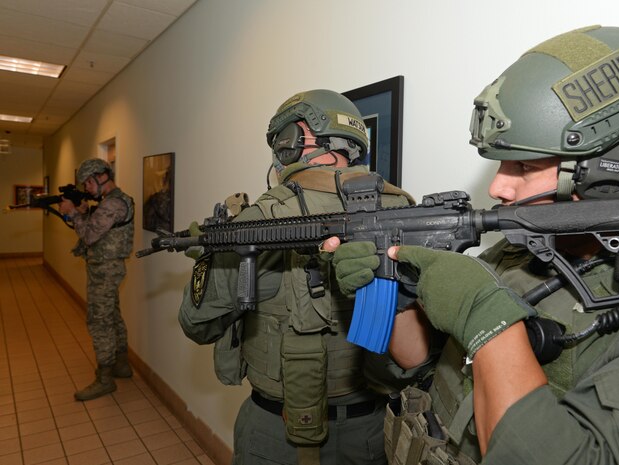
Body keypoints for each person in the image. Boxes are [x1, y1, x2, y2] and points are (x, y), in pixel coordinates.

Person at [326, 26, 619, 464]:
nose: (499, 186)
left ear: (612, 170)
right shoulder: (524, 250)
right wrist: (398, 295)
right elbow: (424, 362)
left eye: (523, 164)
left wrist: (487, 320)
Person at [178, 89, 439, 465]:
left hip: (275, 433)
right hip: (373, 431)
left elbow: (197, 325)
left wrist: (210, 257)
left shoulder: (259, 219)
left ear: (290, 143)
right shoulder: (401, 208)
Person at [58, 158, 135, 401]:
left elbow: (90, 235)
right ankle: (121, 364)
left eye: (88, 183)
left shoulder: (112, 204)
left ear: (101, 177)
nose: (87, 188)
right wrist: (81, 214)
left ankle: (104, 379)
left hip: (105, 270)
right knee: (111, 314)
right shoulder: (115, 201)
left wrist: (72, 214)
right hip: (108, 268)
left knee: (98, 321)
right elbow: (98, 228)